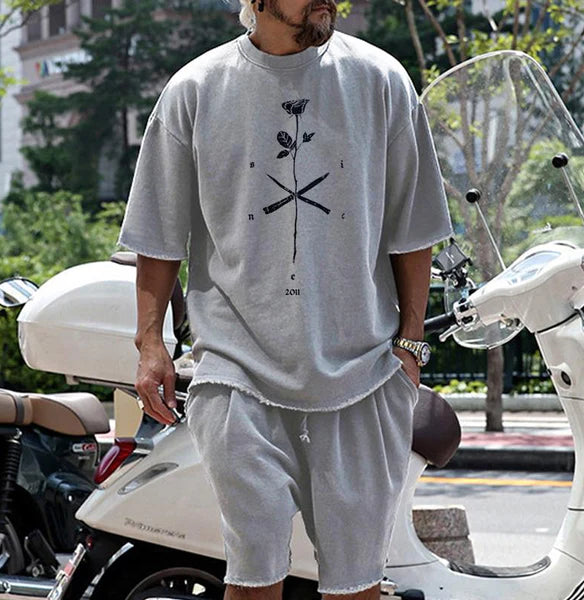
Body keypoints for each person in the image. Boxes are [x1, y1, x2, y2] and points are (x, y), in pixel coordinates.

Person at [118, 1, 453, 598]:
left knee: (355, 586)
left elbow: (414, 226)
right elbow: (158, 235)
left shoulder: (381, 80)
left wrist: (410, 342)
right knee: (253, 578)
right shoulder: (196, 89)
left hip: (364, 374)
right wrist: (150, 343)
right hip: (237, 374)